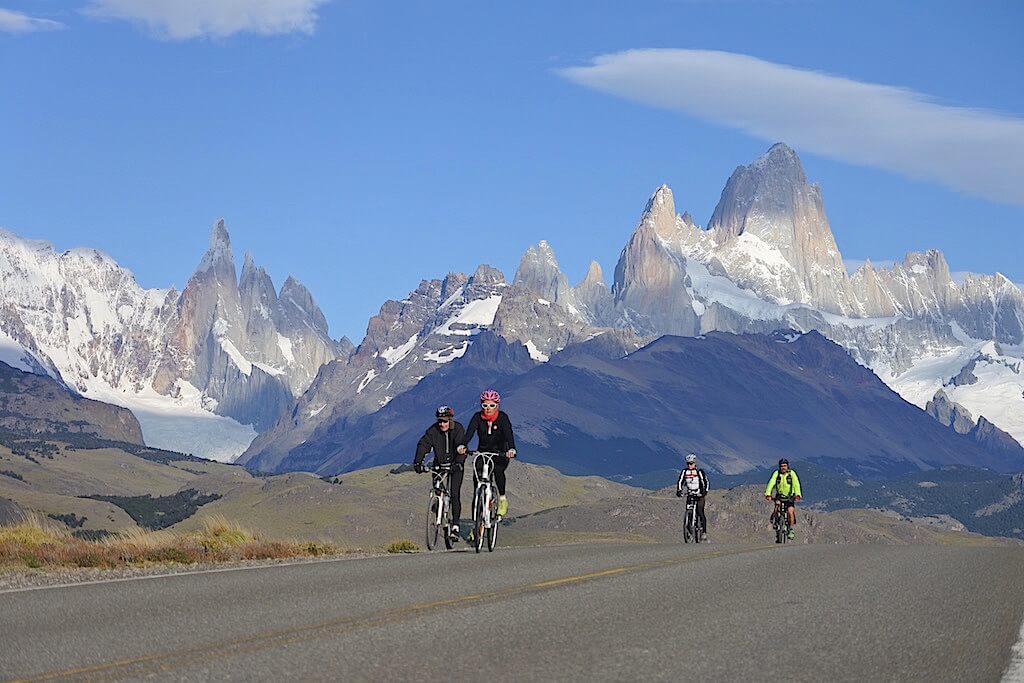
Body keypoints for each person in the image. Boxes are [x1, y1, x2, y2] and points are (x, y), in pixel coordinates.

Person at [457, 389, 516, 518]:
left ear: (497, 405)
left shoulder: (502, 418)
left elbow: (509, 434)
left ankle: (502, 499)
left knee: (498, 471)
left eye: (492, 405)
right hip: (482, 452)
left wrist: (511, 449)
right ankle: (476, 525)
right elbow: (469, 433)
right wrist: (463, 445)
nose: (488, 408)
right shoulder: (477, 417)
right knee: (477, 487)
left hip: (500, 453)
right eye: (485, 405)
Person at [414, 405, 467, 540]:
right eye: (440, 421)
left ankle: (455, 525)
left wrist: (459, 462)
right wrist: (418, 462)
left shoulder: (458, 429)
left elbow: (462, 446)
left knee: (454, 494)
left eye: (444, 421)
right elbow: (423, 445)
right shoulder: (433, 431)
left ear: (450, 419)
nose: (442, 424)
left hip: (456, 466)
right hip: (439, 465)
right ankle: (437, 506)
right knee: (437, 490)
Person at [764, 458, 802, 540]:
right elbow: (771, 482)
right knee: (777, 505)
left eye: (785, 466)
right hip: (780, 496)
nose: (783, 467)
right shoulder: (776, 474)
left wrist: (798, 494)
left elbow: (796, 484)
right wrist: (768, 493)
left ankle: (791, 529)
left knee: (790, 512)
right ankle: (776, 522)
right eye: (781, 466)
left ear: (787, 466)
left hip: (790, 497)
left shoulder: (792, 474)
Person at [676, 453, 710, 537]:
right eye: (688, 463)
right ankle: (688, 525)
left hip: (699, 494)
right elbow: (680, 481)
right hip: (690, 493)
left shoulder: (699, 472)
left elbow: (706, 482)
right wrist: (679, 490)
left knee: (700, 511)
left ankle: (704, 532)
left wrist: (704, 491)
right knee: (688, 509)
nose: (689, 465)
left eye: (691, 463)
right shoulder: (685, 471)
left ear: (695, 463)